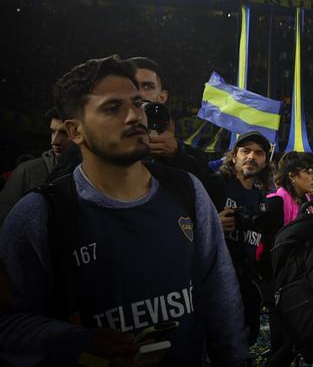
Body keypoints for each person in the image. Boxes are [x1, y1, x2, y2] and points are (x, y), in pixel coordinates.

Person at [0, 55, 248, 366]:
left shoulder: (187, 190)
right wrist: (77, 342)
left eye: (136, 103)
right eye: (112, 108)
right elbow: (8, 325)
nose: (135, 116)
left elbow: (221, 302)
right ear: (75, 131)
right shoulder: (39, 215)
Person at [205, 132, 274, 345]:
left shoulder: (261, 198)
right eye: (245, 151)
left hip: (246, 285)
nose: (252, 157)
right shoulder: (215, 185)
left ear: (265, 162)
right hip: (215, 284)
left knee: (246, 342)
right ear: (234, 156)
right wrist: (213, 223)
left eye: (259, 153)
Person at [259, 151, 313, 364]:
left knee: (297, 340)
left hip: (302, 282)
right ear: (292, 176)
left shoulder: (311, 203)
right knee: (282, 343)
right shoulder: (275, 203)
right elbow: (266, 250)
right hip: (279, 285)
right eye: (309, 172)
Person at [130, 56, 211, 180]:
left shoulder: (188, 154)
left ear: (162, 97)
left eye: (147, 86)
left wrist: (175, 156)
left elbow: (208, 189)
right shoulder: (100, 143)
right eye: (131, 85)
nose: (139, 93)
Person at [0, 108, 69, 226]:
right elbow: (5, 222)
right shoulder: (26, 172)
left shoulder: (95, 174)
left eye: (64, 133)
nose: (55, 141)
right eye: (53, 132)